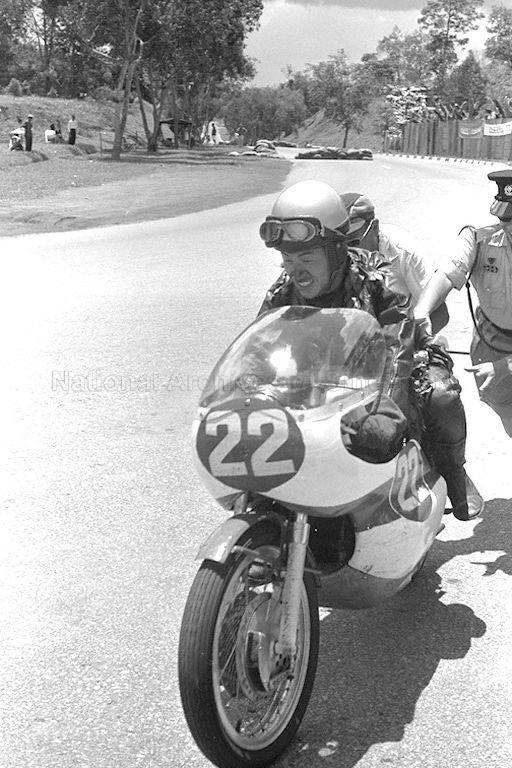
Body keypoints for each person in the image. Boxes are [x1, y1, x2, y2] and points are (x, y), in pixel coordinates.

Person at [258, 180, 483, 521]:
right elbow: (259, 347)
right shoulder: (283, 289)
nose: (295, 269)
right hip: (318, 381)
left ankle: (454, 472)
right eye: (287, 258)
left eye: (305, 256)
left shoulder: (379, 281)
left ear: (336, 250)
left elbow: (396, 350)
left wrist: (384, 409)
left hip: (380, 374)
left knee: (440, 395)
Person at [414, 169, 512, 439]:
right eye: (505, 218)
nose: (509, 226)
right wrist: (421, 311)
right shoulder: (480, 238)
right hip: (493, 345)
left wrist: (505, 367)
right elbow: (448, 272)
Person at [340, 192, 450, 335]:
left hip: (399, 343)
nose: (350, 251)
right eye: (342, 245)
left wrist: (411, 347)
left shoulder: (405, 252)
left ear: (374, 227)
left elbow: (439, 314)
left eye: (354, 242)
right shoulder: (334, 259)